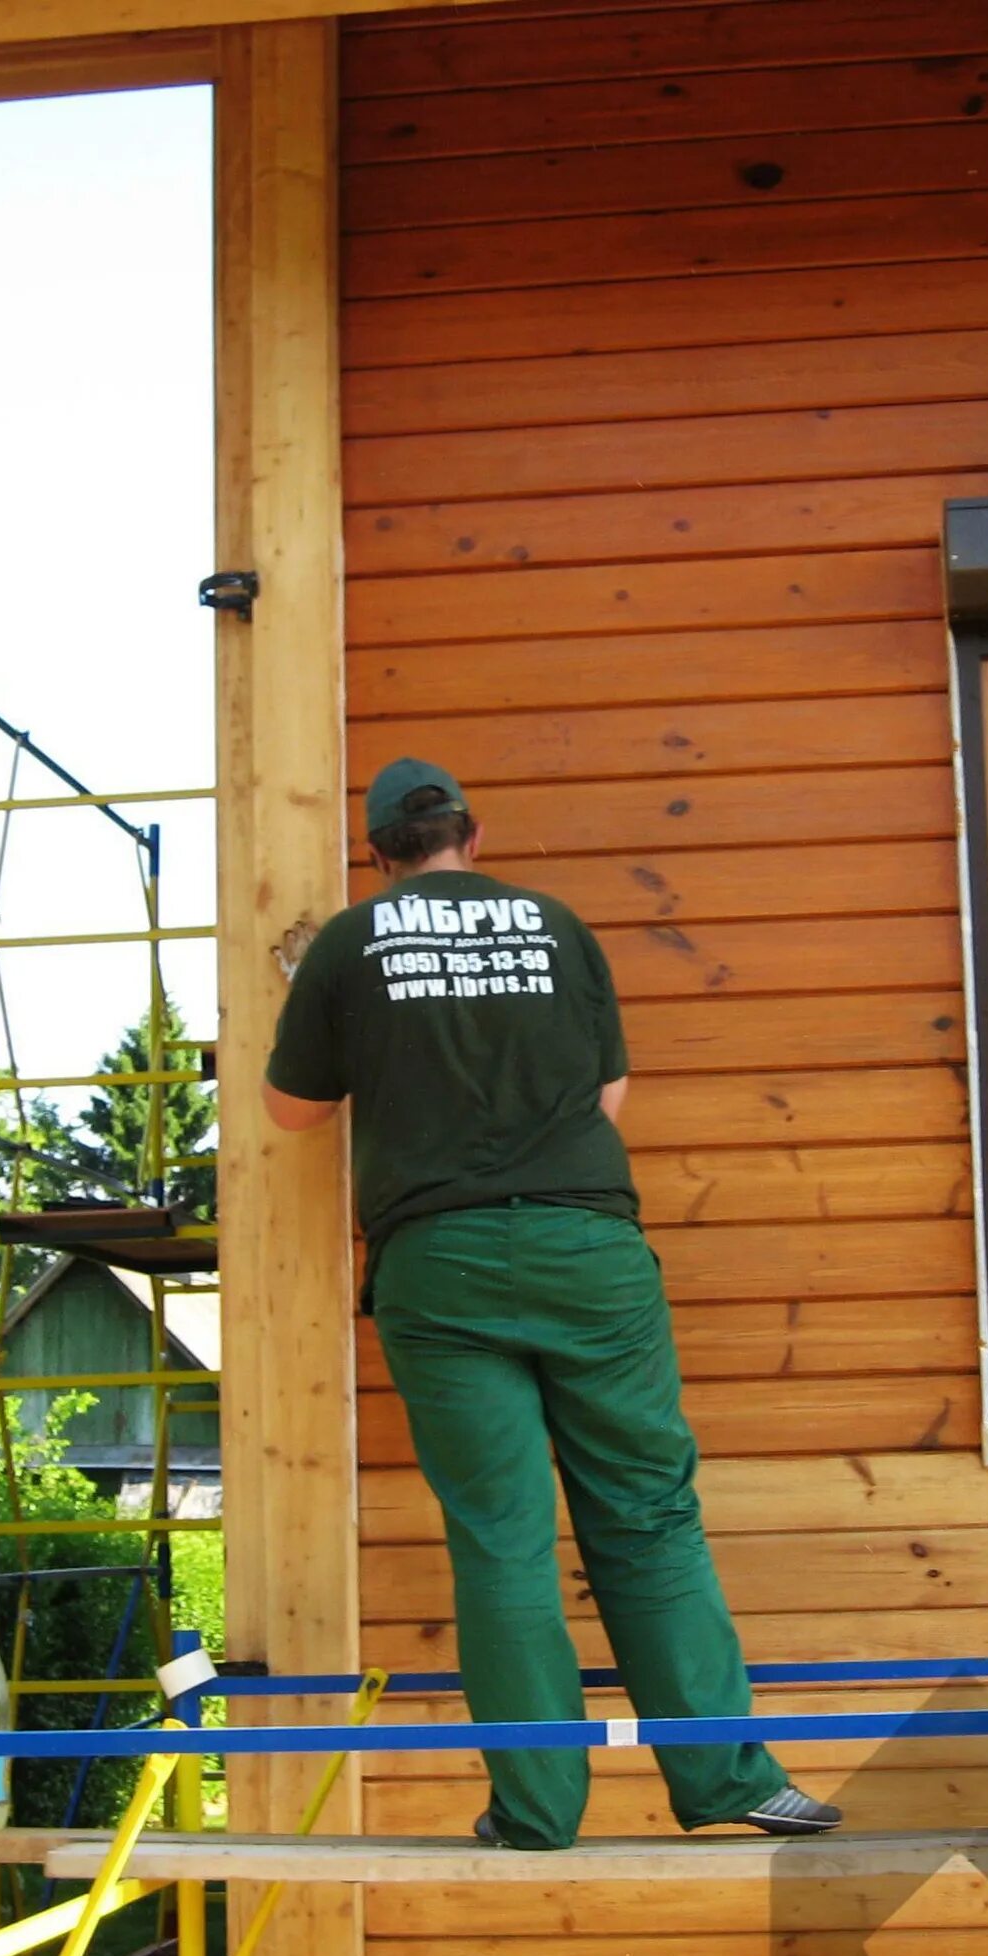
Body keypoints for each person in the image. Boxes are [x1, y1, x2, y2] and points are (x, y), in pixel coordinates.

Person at [261, 756, 839, 1851]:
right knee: (649, 1515)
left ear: (379, 853)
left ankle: (535, 1811)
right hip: (588, 1248)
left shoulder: (348, 943)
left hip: (440, 1258)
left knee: (501, 1538)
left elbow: (292, 1111)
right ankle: (728, 1781)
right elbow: (608, 1095)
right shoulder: (558, 926)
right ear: (472, 836)